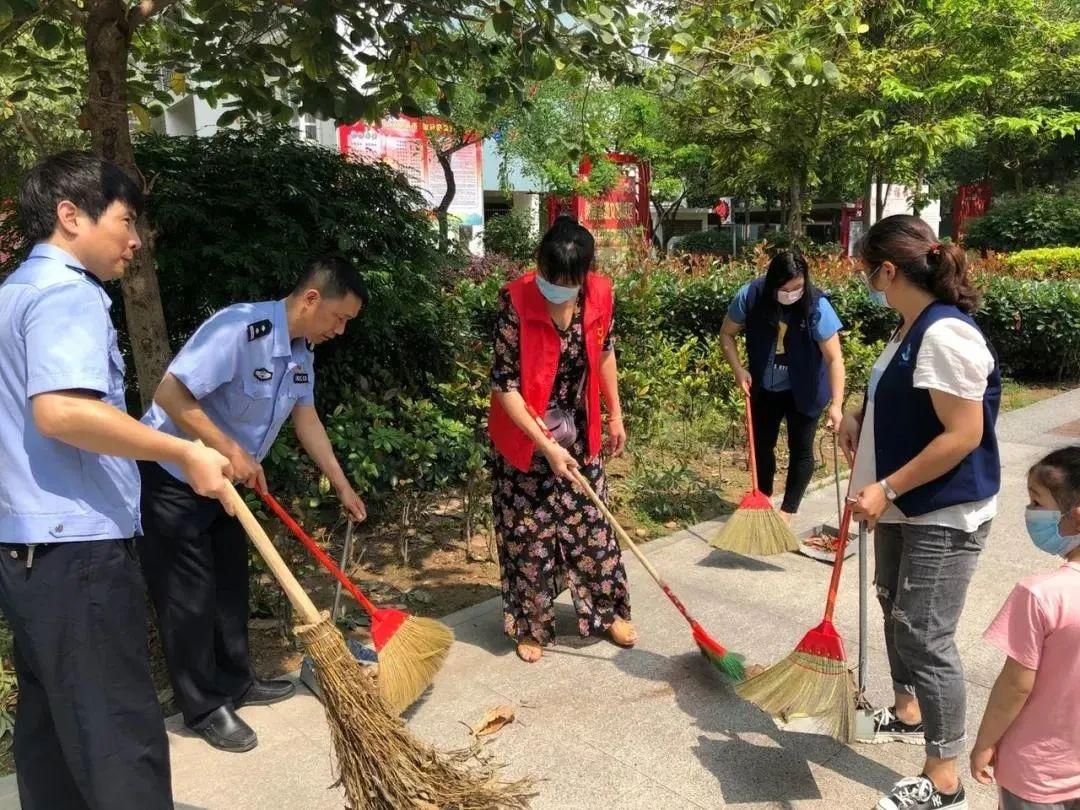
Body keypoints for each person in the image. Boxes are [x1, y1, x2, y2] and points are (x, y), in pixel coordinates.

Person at [0, 151, 233, 810]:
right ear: (71, 216)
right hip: (79, 553)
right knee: (116, 738)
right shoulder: (68, 293)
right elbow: (64, 411)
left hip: (25, 554)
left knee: (52, 737)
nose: (136, 240)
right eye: (127, 221)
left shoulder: (11, 294)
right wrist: (183, 452)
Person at [137, 255, 368, 752]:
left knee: (229, 585)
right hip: (173, 477)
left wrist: (343, 485)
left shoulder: (302, 353)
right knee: (188, 597)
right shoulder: (240, 330)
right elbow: (171, 395)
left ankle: (237, 681)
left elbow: (307, 421)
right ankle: (203, 706)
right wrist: (232, 450)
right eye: (339, 317)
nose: (341, 330)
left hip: (224, 483)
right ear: (311, 299)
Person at [842, 214, 1002, 810]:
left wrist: (887, 486)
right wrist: (861, 420)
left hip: (943, 508)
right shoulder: (908, 327)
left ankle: (944, 778)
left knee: (926, 634)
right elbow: (900, 399)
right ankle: (908, 710)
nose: (866, 281)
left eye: (867, 271)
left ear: (889, 269)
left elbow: (962, 434)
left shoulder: (945, 335)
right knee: (896, 608)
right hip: (906, 501)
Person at [487, 216, 634, 663]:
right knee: (527, 533)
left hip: (577, 425)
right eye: (551, 279)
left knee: (592, 522)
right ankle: (531, 623)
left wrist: (614, 414)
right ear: (539, 267)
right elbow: (504, 384)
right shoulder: (515, 302)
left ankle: (608, 611)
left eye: (568, 282)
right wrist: (545, 447)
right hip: (525, 435)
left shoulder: (600, 295)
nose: (557, 289)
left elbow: (605, 352)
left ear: (585, 275)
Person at [971, 446, 1080, 810]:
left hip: (1036, 771)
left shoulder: (1039, 594)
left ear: (1076, 518)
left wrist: (985, 742)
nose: (1030, 514)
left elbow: (1015, 686)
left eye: (1036, 503)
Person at [720, 249, 845, 524]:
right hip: (764, 388)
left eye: (798, 287)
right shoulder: (751, 295)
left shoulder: (817, 305)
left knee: (801, 448)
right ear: (772, 282)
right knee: (762, 447)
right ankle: (762, 501)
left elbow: (834, 358)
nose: (792, 294)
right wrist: (739, 370)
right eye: (785, 289)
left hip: (806, 387)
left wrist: (836, 406)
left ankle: (787, 512)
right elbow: (727, 333)